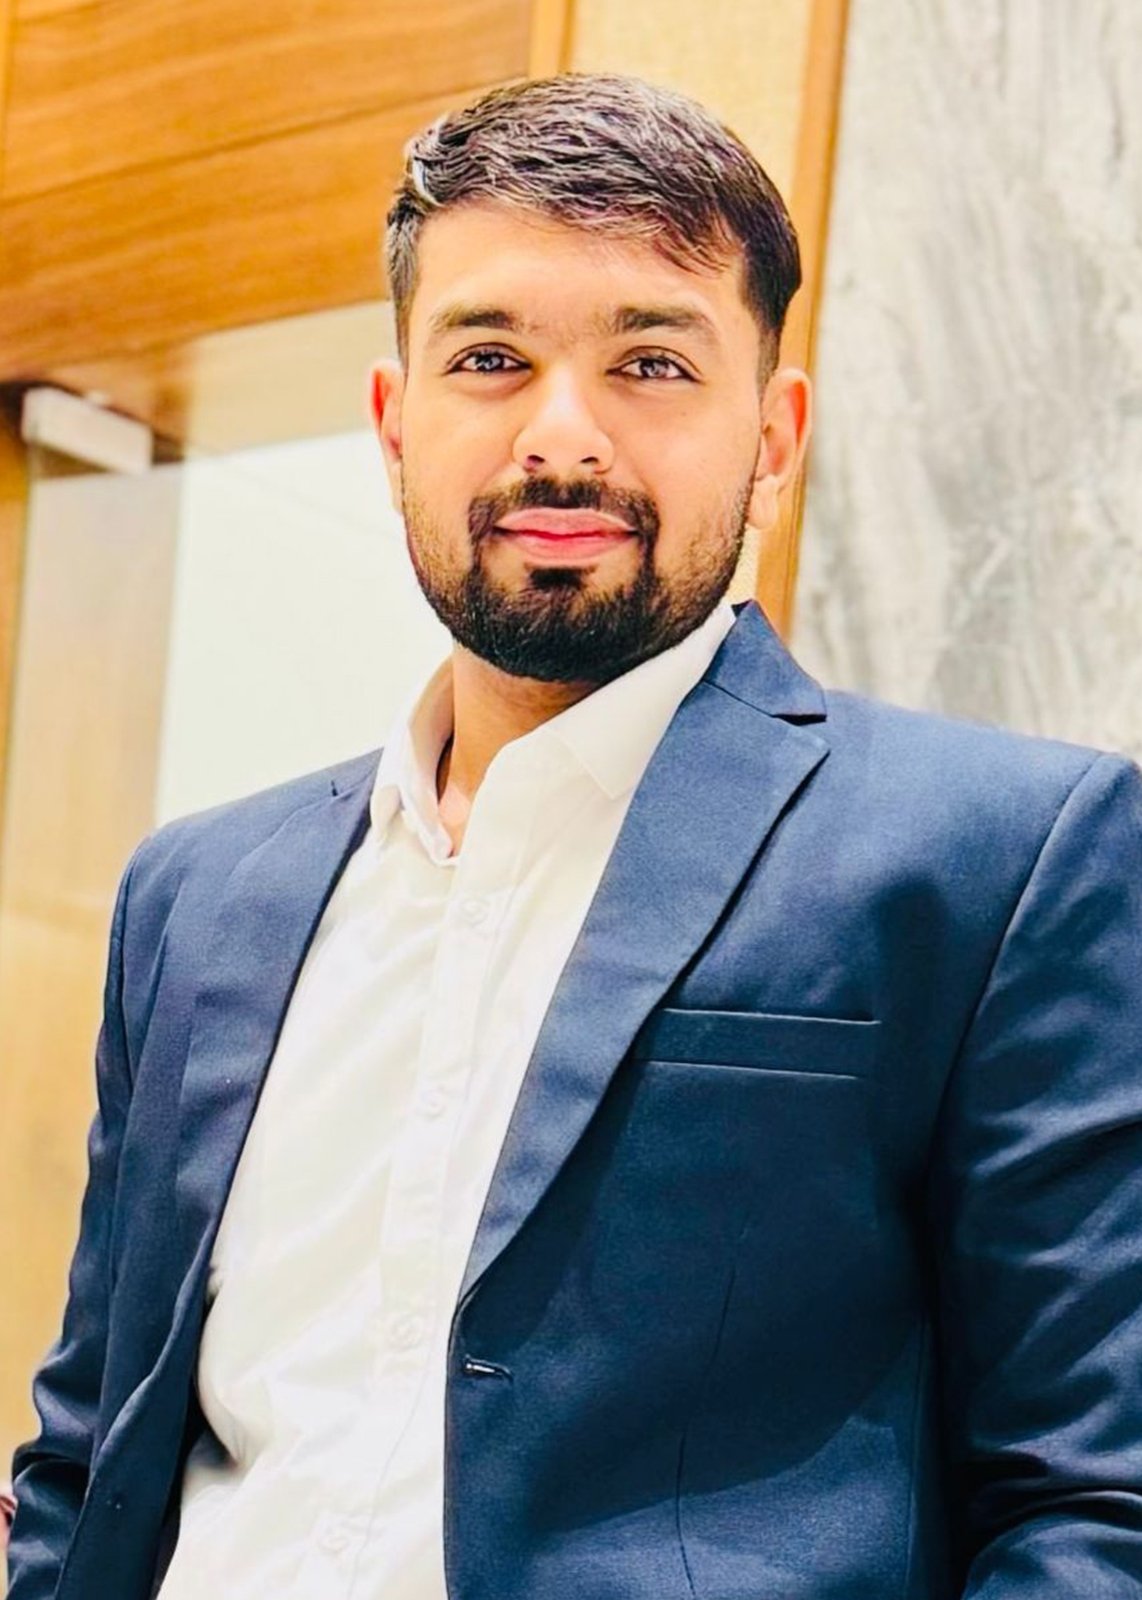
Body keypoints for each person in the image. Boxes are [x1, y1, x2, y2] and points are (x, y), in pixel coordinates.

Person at [8, 71, 1142, 1600]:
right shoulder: (195, 895)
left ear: (773, 437)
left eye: (650, 363)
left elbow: (1092, 1500)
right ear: (393, 423)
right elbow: (88, 1456)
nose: (561, 437)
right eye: (488, 357)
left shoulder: (1000, 856)